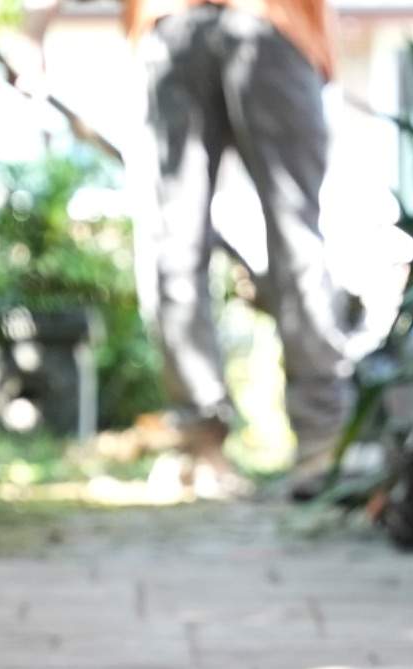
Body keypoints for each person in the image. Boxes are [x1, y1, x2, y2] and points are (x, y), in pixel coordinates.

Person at [122, 0, 351, 497]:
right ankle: (319, 445)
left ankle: (206, 446)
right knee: (293, 237)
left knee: (177, 245)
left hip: (199, 24)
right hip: (266, 20)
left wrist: (34, 31)